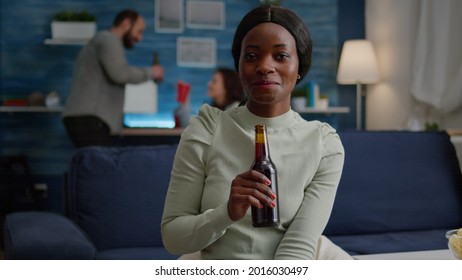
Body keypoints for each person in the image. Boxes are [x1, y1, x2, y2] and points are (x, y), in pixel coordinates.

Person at [161, 5, 351, 260]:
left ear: (300, 67)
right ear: (239, 66)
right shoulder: (207, 128)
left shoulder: (324, 145)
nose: (264, 66)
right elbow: (173, 237)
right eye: (251, 56)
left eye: (281, 56)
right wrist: (226, 213)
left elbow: (298, 246)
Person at [62, 9, 164, 148]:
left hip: (86, 119)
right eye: (139, 31)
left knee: (94, 166)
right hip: (89, 119)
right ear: (126, 23)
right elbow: (120, 74)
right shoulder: (108, 39)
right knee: (99, 167)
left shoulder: (104, 40)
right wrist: (152, 72)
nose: (140, 38)